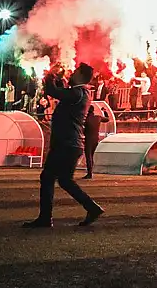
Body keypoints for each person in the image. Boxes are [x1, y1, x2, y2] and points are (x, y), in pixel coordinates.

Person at [23, 63, 104, 228]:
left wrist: (50, 75)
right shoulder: (80, 93)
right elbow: (61, 91)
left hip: (66, 143)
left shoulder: (77, 92)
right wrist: (58, 79)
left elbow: (53, 91)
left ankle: (45, 218)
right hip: (70, 144)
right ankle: (92, 208)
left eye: (75, 72)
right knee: (64, 181)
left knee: (48, 177)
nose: (72, 74)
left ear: (81, 76)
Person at [82, 103, 104, 179]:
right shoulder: (98, 118)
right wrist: (104, 111)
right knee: (92, 155)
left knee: (88, 156)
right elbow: (107, 119)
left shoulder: (86, 119)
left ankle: (89, 173)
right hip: (96, 139)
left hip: (88, 139)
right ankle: (90, 172)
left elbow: (83, 130)